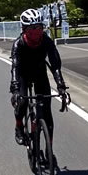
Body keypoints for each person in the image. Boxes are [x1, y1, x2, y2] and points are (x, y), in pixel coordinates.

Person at [10, 9, 69, 146]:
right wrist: (15, 90)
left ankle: (49, 149)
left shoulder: (46, 41)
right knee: (22, 103)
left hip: (40, 74)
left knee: (46, 112)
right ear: (24, 29)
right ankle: (19, 126)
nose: (36, 31)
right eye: (32, 28)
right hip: (23, 75)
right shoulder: (18, 44)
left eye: (39, 27)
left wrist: (61, 86)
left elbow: (55, 65)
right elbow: (15, 67)